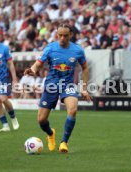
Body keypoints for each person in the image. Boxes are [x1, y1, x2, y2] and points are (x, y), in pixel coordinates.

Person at [24, 23, 92, 153]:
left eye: (65, 35)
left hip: (68, 85)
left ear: (70, 35)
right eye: (59, 35)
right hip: (51, 85)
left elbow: (85, 68)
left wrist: (84, 88)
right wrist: (32, 69)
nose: (62, 38)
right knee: (41, 120)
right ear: (57, 34)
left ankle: (64, 142)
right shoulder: (50, 48)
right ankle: (50, 133)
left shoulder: (78, 50)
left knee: (72, 110)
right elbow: (38, 64)